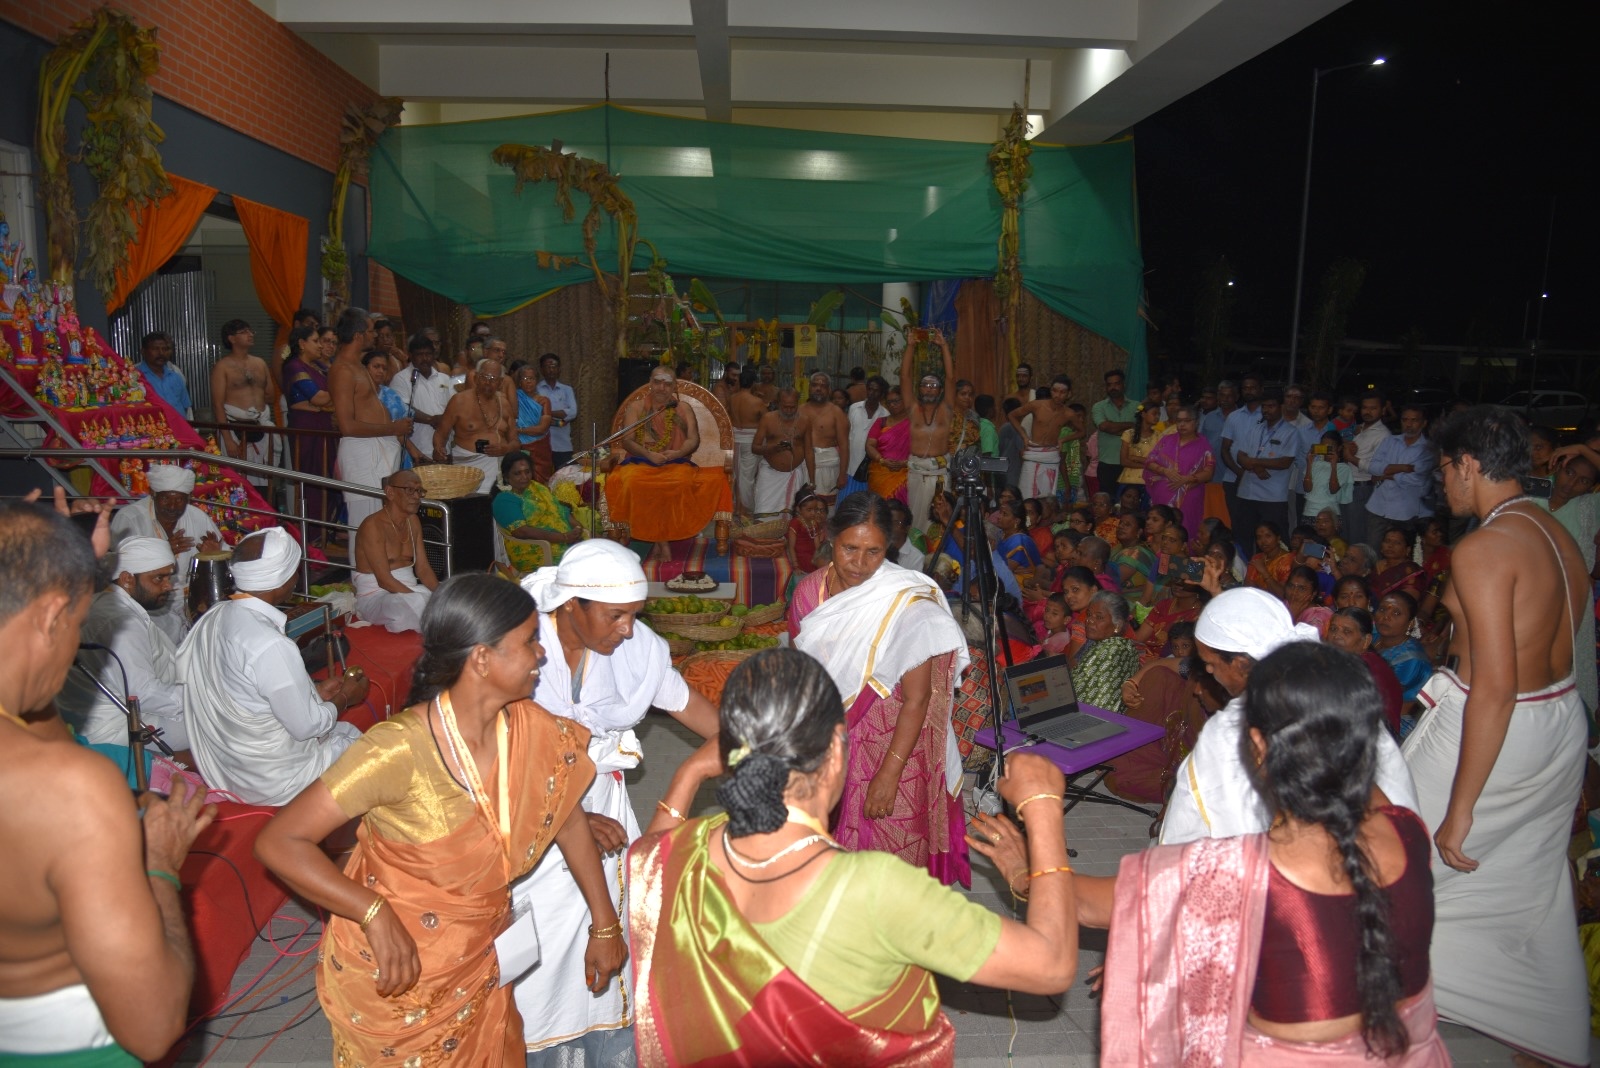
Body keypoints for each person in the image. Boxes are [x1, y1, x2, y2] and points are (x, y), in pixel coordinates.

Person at [629, 650, 1077, 1065]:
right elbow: (1051, 966)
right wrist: (1041, 810)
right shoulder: (875, 888)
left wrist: (687, 774)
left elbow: (647, 858)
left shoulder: (687, 851)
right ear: (837, 752)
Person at [254, 574, 625, 1066]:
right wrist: (372, 911)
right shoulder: (397, 749)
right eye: (529, 640)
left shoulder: (533, 729)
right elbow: (280, 841)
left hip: (480, 957)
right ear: (481, 658)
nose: (542, 654)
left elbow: (567, 818)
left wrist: (605, 924)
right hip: (400, 975)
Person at [1074, 643, 1450, 1066]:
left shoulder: (1241, 871)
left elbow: (1084, 902)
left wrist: (1036, 818)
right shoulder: (1409, 829)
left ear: (1257, 745)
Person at [0, 496, 216, 1066]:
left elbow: (36, 719)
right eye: (74, 626)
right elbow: (154, 1026)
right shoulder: (71, 790)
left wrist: (71, 566)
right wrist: (162, 866)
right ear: (50, 618)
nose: (77, 646)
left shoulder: (37, 753)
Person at [510, 540, 720, 1063]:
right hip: (526, 810)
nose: (627, 629)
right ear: (570, 604)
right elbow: (499, 755)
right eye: (615, 616)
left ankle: (600, 1039)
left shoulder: (637, 648)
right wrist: (573, 814)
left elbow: (686, 705)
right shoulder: (515, 646)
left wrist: (756, 749)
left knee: (606, 928)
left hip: (600, 795)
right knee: (546, 942)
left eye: (634, 615)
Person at [790, 494, 971, 885]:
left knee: (889, 850)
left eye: (873, 551)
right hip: (831, 736)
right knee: (825, 843)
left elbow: (918, 698)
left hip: (896, 743)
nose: (859, 563)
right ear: (831, 538)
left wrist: (889, 773)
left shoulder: (908, 603)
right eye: (849, 549)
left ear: (889, 548)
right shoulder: (808, 594)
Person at [1161, 586, 1417, 846]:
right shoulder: (1338, 685)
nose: (1207, 669)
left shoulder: (1234, 728)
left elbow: (1202, 834)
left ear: (1239, 664)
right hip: (1389, 852)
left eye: (1211, 663)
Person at [180, 528, 370, 806]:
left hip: (230, 769)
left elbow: (247, 695)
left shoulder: (215, 616)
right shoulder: (270, 644)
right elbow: (307, 728)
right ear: (283, 579)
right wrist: (346, 697)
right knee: (370, 753)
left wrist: (314, 692)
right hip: (275, 780)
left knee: (345, 732)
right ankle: (344, 838)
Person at [56, 535, 189, 763]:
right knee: (219, 721)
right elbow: (142, 694)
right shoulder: (121, 621)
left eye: (168, 576)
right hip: (114, 729)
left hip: (98, 717)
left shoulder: (104, 601)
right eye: (159, 578)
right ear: (127, 579)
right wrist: (201, 697)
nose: (168, 585)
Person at [604, 366, 732, 547]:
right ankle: (660, 541)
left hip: (676, 463)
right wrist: (649, 455)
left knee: (680, 482)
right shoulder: (636, 407)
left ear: (674, 388)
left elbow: (693, 440)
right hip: (640, 462)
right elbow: (628, 441)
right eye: (657, 382)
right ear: (650, 383)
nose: (661, 388)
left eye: (667, 384)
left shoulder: (684, 408)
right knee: (632, 481)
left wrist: (678, 453)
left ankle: (660, 538)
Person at [109, 463, 223, 645]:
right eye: (166, 499)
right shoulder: (129, 518)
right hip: (148, 605)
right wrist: (164, 551)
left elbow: (224, 560)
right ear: (153, 494)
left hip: (193, 600)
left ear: (189, 498)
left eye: (180, 500)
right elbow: (119, 570)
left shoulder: (197, 517)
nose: (172, 506)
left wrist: (212, 557)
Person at [331, 308, 409, 558]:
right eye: (371, 330)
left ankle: (380, 576)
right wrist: (393, 428)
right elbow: (347, 425)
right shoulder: (343, 369)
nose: (375, 335)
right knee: (363, 523)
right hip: (362, 452)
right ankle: (364, 584)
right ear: (358, 335)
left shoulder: (357, 365)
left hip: (378, 448)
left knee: (381, 520)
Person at [353, 469, 439, 633]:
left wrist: (443, 595)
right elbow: (384, 580)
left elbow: (423, 569)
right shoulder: (372, 526)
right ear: (390, 492)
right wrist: (418, 599)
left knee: (447, 600)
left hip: (409, 592)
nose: (416, 496)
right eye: (409, 490)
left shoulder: (413, 521)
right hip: (376, 596)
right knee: (409, 607)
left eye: (419, 491)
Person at [492, 450, 587, 573]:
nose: (524, 477)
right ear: (506, 476)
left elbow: (561, 510)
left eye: (527, 472)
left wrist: (577, 528)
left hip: (563, 539)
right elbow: (521, 531)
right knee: (580, 563)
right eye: (517, 473)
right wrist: (562, 537)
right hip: (532, 549)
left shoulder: (537, 488)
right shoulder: (504, 499)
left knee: (593, 551)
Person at [281, 324, 337, 525]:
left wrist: (325, 403)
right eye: (315, 341)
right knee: (312, 479)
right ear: (302, 344)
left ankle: (324, 529)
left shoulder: (319, 367)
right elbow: (319, 398)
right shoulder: (294, 366)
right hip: (307, 431)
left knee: (328, 478)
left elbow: (322, 400)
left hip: (324, 428)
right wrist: (337, 396)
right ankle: (310, 531)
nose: (321, 346)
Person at [902, 329, 958, 529]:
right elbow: (905, 377)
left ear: (940, 390)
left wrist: (944, 346)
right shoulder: (913, 409)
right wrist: (910, 346)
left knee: (938, 519)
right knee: (915, 519)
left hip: (939, 474)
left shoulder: (946, 409)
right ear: (920, 389)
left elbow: (951, 378)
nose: (928, 389)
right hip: (916, 472)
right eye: (925, 385)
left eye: (933, 386)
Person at [433, 358, 513, 494]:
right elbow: (441, 434)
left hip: (499, 468)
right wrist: (438, 449)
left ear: (500, 383)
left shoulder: (504, 404)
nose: (488, 382)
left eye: (493, 378)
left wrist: (505, 448)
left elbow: (515, 441)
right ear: (476, 378)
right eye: (484, 377)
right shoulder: (459, 401)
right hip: (468, 470)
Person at [210, 319, 275, 480]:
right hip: (234, 427)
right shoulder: (222, 366)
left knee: (264, 479)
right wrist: (228, 439)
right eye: (244, 332)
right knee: (237, 480)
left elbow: (271, 395)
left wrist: (256, 412)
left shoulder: (260, 363)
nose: (250, 334)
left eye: (251, 331)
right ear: (231, 338)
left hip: (260, 425)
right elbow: (218, 405)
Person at [1326, 606, 1405, 736]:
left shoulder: (1360, 669)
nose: (1336, 636)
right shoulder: (1360, 660)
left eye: (1347, 632)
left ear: (1366, 641)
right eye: (1333, 629)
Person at [1366, 404, 1436, 543]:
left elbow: (1418, 480)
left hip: (1406, 513)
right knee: (1373, 553)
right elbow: (1373, 467)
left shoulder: (1427, 449)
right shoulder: (1389, 441)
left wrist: (1388, 474)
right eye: (1405, 420)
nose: (1409, 424)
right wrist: (1402, 468)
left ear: (1424, 423)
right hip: (1378, 507)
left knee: (1401, 556)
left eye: (1414, 420)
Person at [1144, 403, 1214, 537]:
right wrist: (1165, 471)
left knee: (1185, 528)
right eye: (1179, 421)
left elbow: (1209, 473)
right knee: (1160, 528)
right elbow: (1149, 461)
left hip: (1188, 497)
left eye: (1187, 421)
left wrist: (1186, 479)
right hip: (1162, 496)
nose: (1182, 425)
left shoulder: (1203, 445)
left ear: (1196, 422)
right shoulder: (1166, 440)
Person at [389, 333, 456, 470]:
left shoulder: (444, 379)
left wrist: (445, 420)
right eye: (420, 354)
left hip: (444, 449)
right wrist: (431, 419)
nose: (425, 358)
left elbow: (455, 406)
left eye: (428, 354)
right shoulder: (401, 379)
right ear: (410, 355)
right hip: (417, 452)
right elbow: (403, 408)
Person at [1070, 591, 1141, 713]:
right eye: (1089, 614)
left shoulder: (1114, 649)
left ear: (1117, 625)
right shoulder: (1098, 643)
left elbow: (1076, 694)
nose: (1089, 621)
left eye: (1099, 617)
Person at [1009, 374, 1073, 498]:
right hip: (1033, 453)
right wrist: (1024, 436)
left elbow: (1082, 431)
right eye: (1055, 391)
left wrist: (1063, 439)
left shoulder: (1068, 413)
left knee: (1046, 498)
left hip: (1051, 455)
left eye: (1062, 392)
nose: (1058, 395)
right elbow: (1012, 415)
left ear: (1068, 394)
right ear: (1051, 391)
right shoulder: (1036, 405)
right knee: (1026, 496)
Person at [752, 388, 813, 514]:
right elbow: (755, 447)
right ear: (778, 403)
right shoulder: (767, 419)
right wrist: (773, 448)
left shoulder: (805, 420)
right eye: (785, 407)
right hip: (769, 475)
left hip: (794, 473)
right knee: (764, 512)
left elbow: (809, 451)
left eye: (793, 407)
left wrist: (812, 481)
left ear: (798, 403)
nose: (789, 410)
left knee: (791, 514)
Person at [1343, 392, 1392, 550]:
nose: (1367, 411)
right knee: (1346, 534)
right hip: (1349, 486)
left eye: (1373, 408)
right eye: (1365, 407)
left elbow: (1379, 467)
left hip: (1362, 488)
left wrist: (1350, 457)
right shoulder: (1360, 429)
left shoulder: (1383, 435)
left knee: (1357, 538)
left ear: (1383, 410)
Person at [363, 349, 427, 469]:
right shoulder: (359, 395)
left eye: (384, 368)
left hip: (396, 451)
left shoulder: (389, 393)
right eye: (376, 366)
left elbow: (403, 426)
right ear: (364, 368)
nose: (381, 371)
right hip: (369, 451)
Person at [802, 371, 850, 504]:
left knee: (825, 508)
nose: (818, 388)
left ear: (829, 390)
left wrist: (842, 474)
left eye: (823, 386)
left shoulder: (837, 413)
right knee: (803, 505)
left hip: (828, 466)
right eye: (815, 385)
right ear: (809, 388)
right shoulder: (800, 411)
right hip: (802, 466)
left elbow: (844, 446)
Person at [841, 374, 887, 502]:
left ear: (882, 394)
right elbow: (846, 436)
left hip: (870, 470)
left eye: (876, 390)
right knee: (846, 504)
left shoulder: (885, 415)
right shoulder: (854, 408)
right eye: (870, 389)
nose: (872, 393)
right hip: (850, 467)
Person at [1092, 368, 1138, 490]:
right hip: (1107, 464)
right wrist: (1132, 425)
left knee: (1131, 503)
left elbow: (1141, 429)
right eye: (1109, 384)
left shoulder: (1137, 406)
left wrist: (1113, 426)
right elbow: (1104, 427)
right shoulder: (1099, 407)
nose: (1113, 387)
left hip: (1131, 463)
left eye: (1116, 384)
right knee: (1108, 501)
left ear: (1123, 385)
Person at [728, 365, 766, 512]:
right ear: (753, 383)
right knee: (747, 477)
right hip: (750, 440)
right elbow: (767, 418)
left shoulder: (732, 398)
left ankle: (738, 507)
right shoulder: (756, 402)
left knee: (737, 474)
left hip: (735, 437)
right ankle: (744, 509)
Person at [532, 353, 578, 471]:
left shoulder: (567, 390)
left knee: (565, 479)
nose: (551, 370)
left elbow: (573, 412)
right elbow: (535, 414)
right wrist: (561, 417)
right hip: (542, 444)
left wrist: (547, 413)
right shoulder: (535, 389)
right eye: (547, 366)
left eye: (554, 366)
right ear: (541, 369)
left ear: (559, 369)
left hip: (563, 444)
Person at [864, 389, 910, 502]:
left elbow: (923, 449)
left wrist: (904, 463)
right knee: (880, 510)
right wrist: (882, 461)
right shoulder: (881, 422)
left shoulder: (915, 423)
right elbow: (869, 445)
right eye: (889, 402)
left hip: (906, 474)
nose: (892, 405)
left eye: (896, 401)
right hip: (880, 472)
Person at [512, 362, 555, 481]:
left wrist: (519, 430)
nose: (528, 381)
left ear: (537, 381)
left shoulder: (544, 401)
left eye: (531, 378)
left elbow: (542, 428)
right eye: (525, 378)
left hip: (539, 450)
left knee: (540, 482)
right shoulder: (514, 399)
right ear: (520, 381)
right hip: (518, 447)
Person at [134, 330, 192, 418]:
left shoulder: (176, 376)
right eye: (155, 349)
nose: (161, 353)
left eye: (165, 349)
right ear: (143, 351)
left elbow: (186, 408)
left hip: (179, 428)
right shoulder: (135, 377)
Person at [1116, 403, 1163, 506]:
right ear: (1143, 414)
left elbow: (1159, 461)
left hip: (1149, 482)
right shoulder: (1128, 434)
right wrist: (1148, 466)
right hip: (1128, 480)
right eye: (1154, 413)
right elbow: (1124, 461)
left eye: (1159, 414)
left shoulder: (1160, 436)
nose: (1157, 417)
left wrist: (1135, 458)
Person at [1302, 429, 1354, 520]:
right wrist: (1309, 463)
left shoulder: (1344, 468)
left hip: (1330, 513)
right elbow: (1307, 488)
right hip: (1309, 511)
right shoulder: (1314, 464)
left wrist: (1333, 466)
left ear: (1339, 448)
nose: (1326, 450)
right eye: (1323, 446)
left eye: (1329, 447)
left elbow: (1333, 490)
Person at [1109, 512, 1157, 604]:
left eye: (1127, 525)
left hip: (1133, 604)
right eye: (1121, 523)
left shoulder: (1137, 553)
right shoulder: (1118, 548)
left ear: (1139, 532)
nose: (1121, 527)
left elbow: (1111, 581)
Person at [1370, 528, 1425, 601]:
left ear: (1407, 550)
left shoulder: (1410, 571)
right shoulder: (1377, 567)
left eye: (1397, 543)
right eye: (1387, 541)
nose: (1390, 545)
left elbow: (1408, 602)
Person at [785, 484, 827, 575]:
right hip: (799, 557)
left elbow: (817, 545)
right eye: (809, 510)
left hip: (811, 556)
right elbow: (791, 547)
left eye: (815, 509)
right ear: (798, 509)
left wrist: (819, 558)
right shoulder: (795, 523)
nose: (813, 513)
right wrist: (795, 566)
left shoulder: (813, 522)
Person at [1282, 563, 1332, 637]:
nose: (1294, 592)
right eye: (1291, 586)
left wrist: (1292, 616)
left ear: (1314, 593)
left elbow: (1303, 644)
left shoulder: (1320, 617)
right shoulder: (1284, 604)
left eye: (1302, 588)